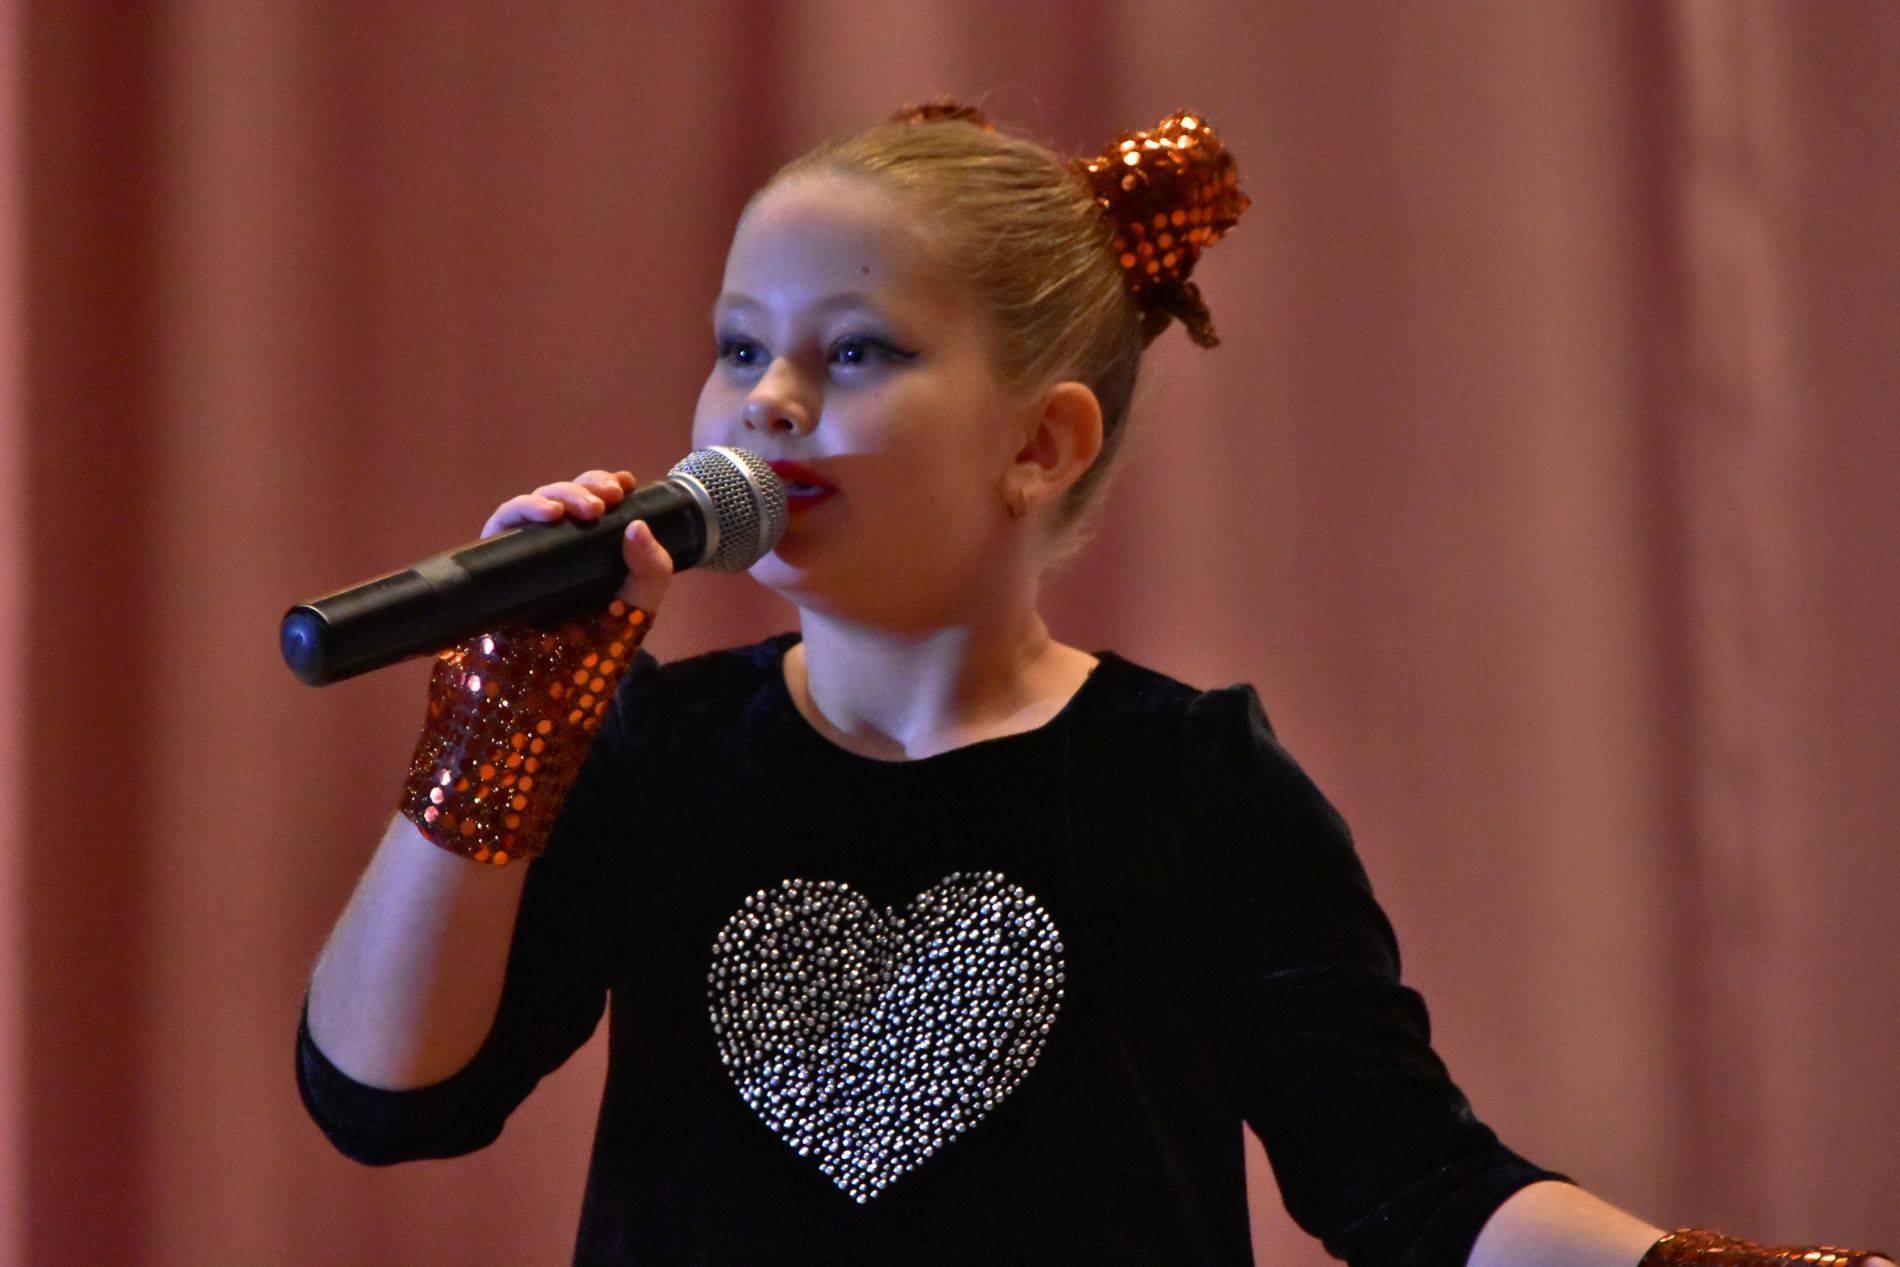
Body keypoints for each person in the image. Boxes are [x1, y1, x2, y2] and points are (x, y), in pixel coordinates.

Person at [298, 104, 1890, 1267]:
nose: (767, 400)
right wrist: (496, 736)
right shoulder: (660, 750)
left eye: (853, 353)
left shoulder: (1189, 785)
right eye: (737, 344)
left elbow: (1417, 1188)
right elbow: (387, 1095)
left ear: (1040, 443)